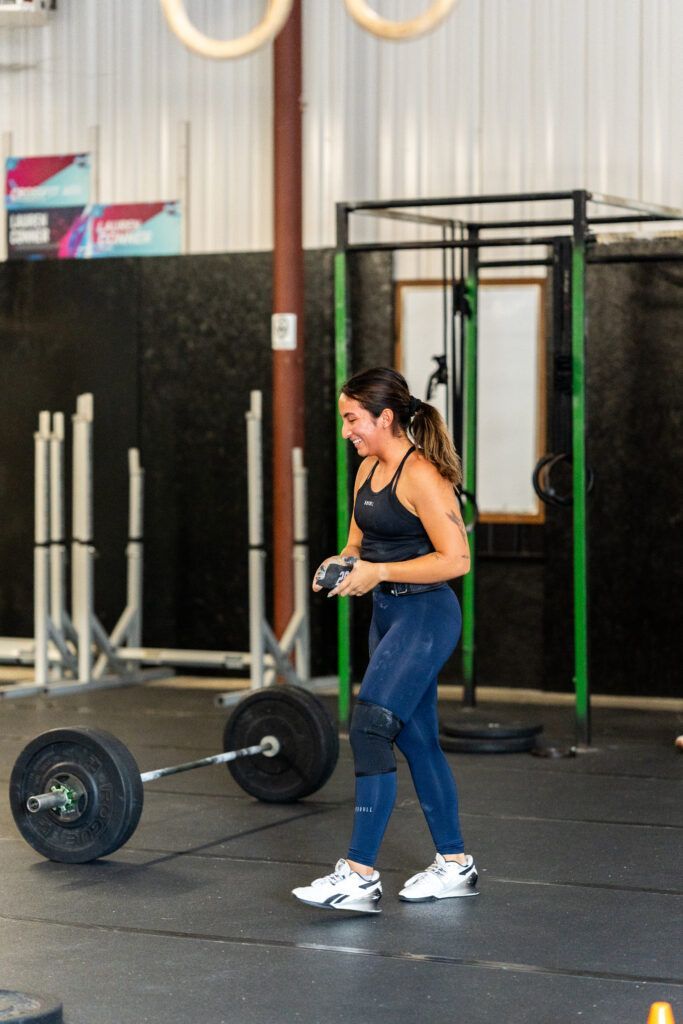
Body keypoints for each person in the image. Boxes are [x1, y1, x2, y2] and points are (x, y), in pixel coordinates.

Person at [292, 366, 477, 913]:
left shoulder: (422, 475)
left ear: (385, 417)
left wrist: (379, 573)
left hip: (427, 617)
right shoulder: (367, 470)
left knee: (371, 726)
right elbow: (359, 543)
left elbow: (457, 559)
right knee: (418, 742)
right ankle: (456, 864)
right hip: (388, 618)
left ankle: (359, 874)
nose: (347, 429)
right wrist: (344, 562)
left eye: (354, 419)